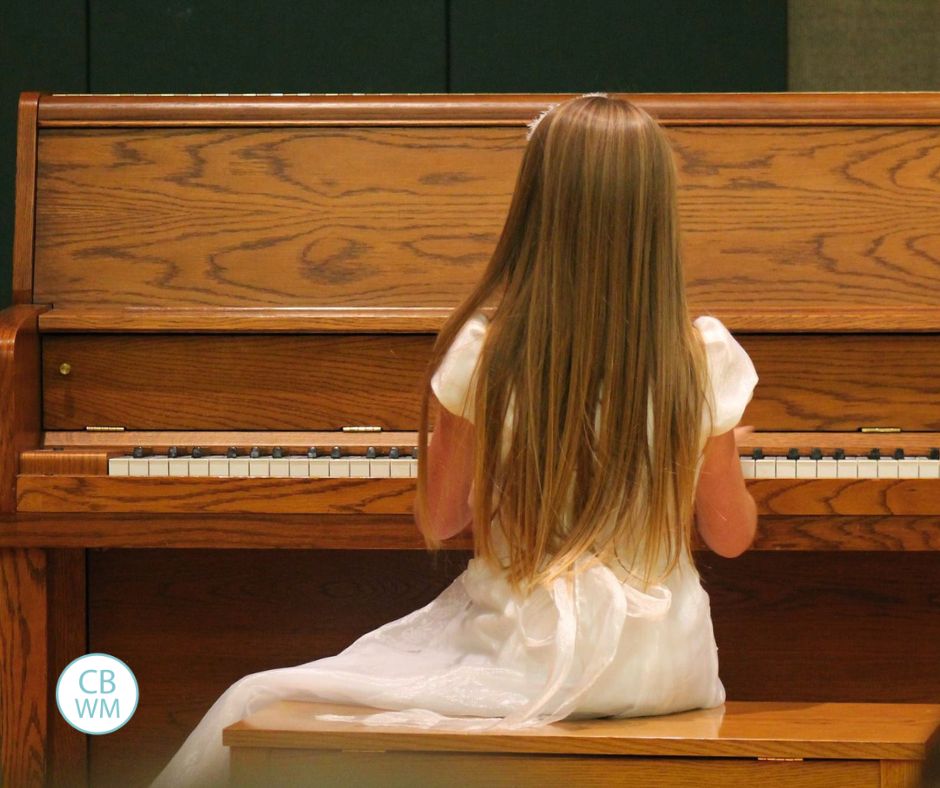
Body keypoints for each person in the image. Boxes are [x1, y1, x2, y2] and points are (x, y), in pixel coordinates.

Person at [152, 93, 758, 787]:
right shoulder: (702, 357)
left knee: (257, 697)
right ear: (657, 212)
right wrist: (715, 452)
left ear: (536, 207)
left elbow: (441, 519)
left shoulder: (486, 354)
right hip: (668, 673)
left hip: (531, 662)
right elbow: (730, 536)